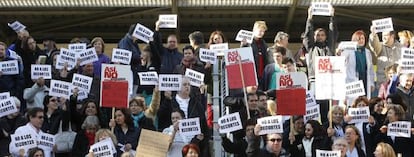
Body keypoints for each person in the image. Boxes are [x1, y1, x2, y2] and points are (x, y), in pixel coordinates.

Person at [303, 5, 336, 124]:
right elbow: (307, 35)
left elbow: (333, 33)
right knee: (314, 106)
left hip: (328, 80)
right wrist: (309, 18)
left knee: (327, 107)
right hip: (315, 80)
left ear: (326, 37)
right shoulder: (311, 48)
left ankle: (327, 126)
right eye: (317, 35)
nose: (320, 37)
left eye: (322, 35)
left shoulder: (330, 47)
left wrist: (332, 17)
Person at [340, 30, 375, 98]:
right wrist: (339, 52)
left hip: (364, 80)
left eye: (363, 38)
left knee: (364, 101)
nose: (361, 40)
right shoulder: (348, 50)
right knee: (354, 102)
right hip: (352, 81)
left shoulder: (367, 52)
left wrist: (371, 83)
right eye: (359, 38)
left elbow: (370, 69)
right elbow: (341, 59)